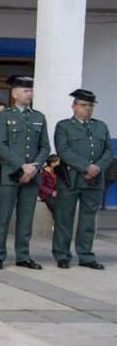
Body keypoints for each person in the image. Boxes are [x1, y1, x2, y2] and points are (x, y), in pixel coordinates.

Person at [0, 76, 50, 270]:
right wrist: (21, 166)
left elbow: (44, 147)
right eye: (25, 91)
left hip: (32, 176)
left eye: (31, 90)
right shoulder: (4, 116)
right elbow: (0, 145)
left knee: (26, 218)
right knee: (3, 217)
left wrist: (34, 167)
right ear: (15, 94)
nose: (29, 94)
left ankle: (23, 255)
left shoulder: (38, 117)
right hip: (11, 174)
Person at [52, 89, 112, 269]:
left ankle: (86, 255)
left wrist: (97, 167)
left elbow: (108, 150)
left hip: (93, 180)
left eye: (90, 106)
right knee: (64, 218)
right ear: (74, 106)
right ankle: (62, 255)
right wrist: (86, 167)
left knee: (88, 220)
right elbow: (64, 151)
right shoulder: (64, 126)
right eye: (84, 105)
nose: (88, 109)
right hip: (71, 179)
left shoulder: (100, 126)